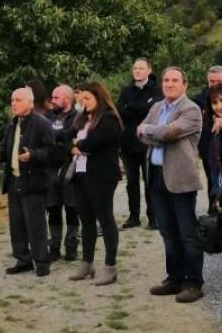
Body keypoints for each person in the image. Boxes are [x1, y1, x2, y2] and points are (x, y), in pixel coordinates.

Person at [137, 67, 205, 303]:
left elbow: (169, 134)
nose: (169, 83)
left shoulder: (191, 109)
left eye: (175, 80)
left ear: (185, 85)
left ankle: (194, 282)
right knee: (168, 232)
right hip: (156, 176)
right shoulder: (156, 107)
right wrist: (151, 131)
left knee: (187, 233)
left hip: (180, 179)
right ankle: (174, 279)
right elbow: (140, 134)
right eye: (166, 80)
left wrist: (149, 130)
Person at [0, 87, 57, 277]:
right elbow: (5, 149)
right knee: (17, 224)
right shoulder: (12, 125)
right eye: (12, 100)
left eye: (18, 100)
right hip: (14, 181)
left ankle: (41, 262)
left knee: (35, 225)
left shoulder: (42, 124)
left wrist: (32, 155)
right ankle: (23, 259)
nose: (13, 104)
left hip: (33, 182)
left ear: (29, 102)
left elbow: (51, 151)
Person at [67, 81, 122, 285]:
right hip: (80, 174)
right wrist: (75, 146)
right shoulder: (82, 119)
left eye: (88, 99)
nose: (84, 102)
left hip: (101, 176)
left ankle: (110, 265)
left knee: (105, 219)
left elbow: (94, 142)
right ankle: (87, 262)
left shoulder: (109, 119)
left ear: (99, 97)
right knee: (86, 220)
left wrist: (78, 146)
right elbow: (67, 139)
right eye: (81, 99)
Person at [116, 57, 162, 228]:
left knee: (151, 181)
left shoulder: (156, 90)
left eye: (141, 68)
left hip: (148, 142)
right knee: (132, 182)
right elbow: (120, 110)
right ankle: (134, 216)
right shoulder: (126, 91)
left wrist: (132, 107)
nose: (137, 71)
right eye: (135, 68)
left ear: (149, 70)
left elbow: (153, 109)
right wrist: (141, 108)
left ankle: (153, 216)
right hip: (128, 142)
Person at [44, 84, 79, 261]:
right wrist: (58, 137)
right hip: (50, 168)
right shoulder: (48, 115)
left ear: (67, 98)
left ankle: (71, 246)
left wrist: (57, 137)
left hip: (70, 168)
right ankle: (54, 247)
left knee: (72, 209)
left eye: (56, 97)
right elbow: (45, 134)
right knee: (53, 208)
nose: (52, 100)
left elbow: (70, 134)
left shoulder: (78, 116)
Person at [194, 65, 222, 200]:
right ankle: (213, 207)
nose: (214, 85)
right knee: (212, 178)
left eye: (218, 82)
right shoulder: (199, 99)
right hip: (207, 145)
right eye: (211, 82)